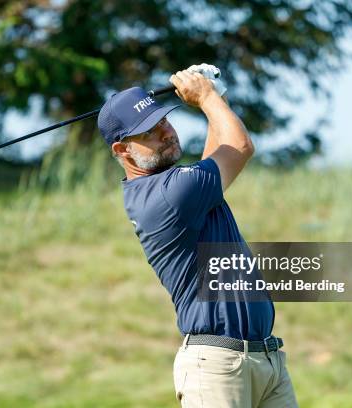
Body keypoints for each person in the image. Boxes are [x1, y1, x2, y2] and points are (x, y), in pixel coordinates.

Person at [97, 64, 298, 408]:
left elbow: (213, 157)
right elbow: (240, 145)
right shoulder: (167, 194)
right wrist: (206, 96)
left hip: (266, 360)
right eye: (149, 132)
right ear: (122, 150)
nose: (166, 132)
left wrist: (215, 96)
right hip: (218, 367)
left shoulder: (181, 187)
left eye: (163, 121)